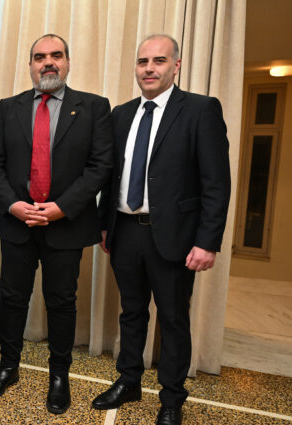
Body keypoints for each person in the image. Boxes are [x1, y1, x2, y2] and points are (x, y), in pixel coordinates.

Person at [92, 34, 230, 425]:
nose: (149, 69)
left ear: (176, 65)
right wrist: (105, 225)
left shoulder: (201, 110)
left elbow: (216, 183)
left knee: (173, 319)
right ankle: (128, 381)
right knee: (131, 312)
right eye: (143, 62)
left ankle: (171, 398)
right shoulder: (121, 114)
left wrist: (207, 242)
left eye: (159, 61)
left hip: (174, 237)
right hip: (124, 232)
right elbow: (112, 177)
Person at [0, 34, 113, 414]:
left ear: (68, 62)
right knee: (12, 299)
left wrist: (61, 207)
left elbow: (100, 167)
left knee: (61, 303)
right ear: (30, 65)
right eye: (40, 57)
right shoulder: (9, 108)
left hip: (65, 226)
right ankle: (8, 367)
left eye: (56, 55)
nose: (48, 62)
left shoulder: (93, 107)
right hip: (17, 224)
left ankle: (59, 376)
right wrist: (14, 205)